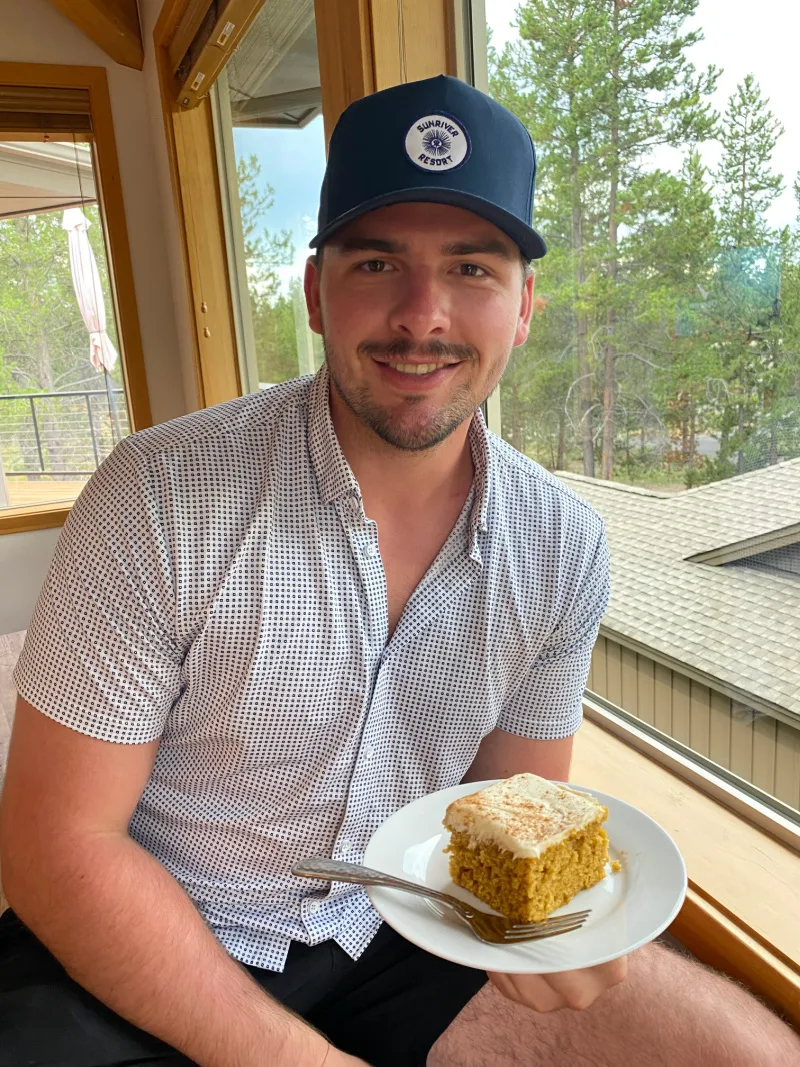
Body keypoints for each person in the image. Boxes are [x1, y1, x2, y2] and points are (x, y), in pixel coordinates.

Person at [0, 75, 797, 1067]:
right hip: (155, 926)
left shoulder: (561, 546)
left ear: (522, 308)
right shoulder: (159, 495)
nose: (422, 316)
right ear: (314, 292)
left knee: (744, 1047)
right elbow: (55, 849)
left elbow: (509, 811)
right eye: (377, 261)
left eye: (471, 267)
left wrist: (571, 924)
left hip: (397, 923)